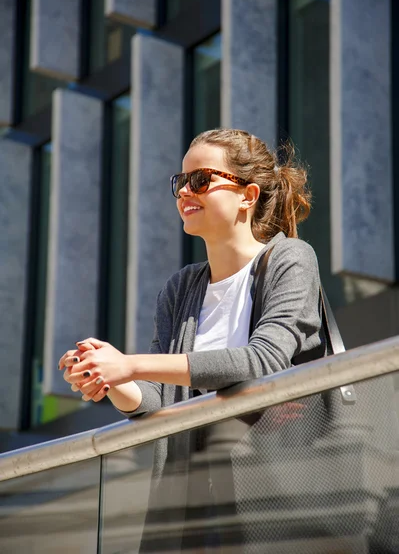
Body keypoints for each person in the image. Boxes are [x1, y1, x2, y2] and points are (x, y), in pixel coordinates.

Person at [58, 128, 324, 551]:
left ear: (247, 195)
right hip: (190, 503)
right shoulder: (181, 288)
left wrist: (130, 363)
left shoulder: (289, 258)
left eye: (200, 180)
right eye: (180, 182)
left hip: (273, 498)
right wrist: (109, 379)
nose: (186, 191)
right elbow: (158, 401)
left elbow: (265, 360)